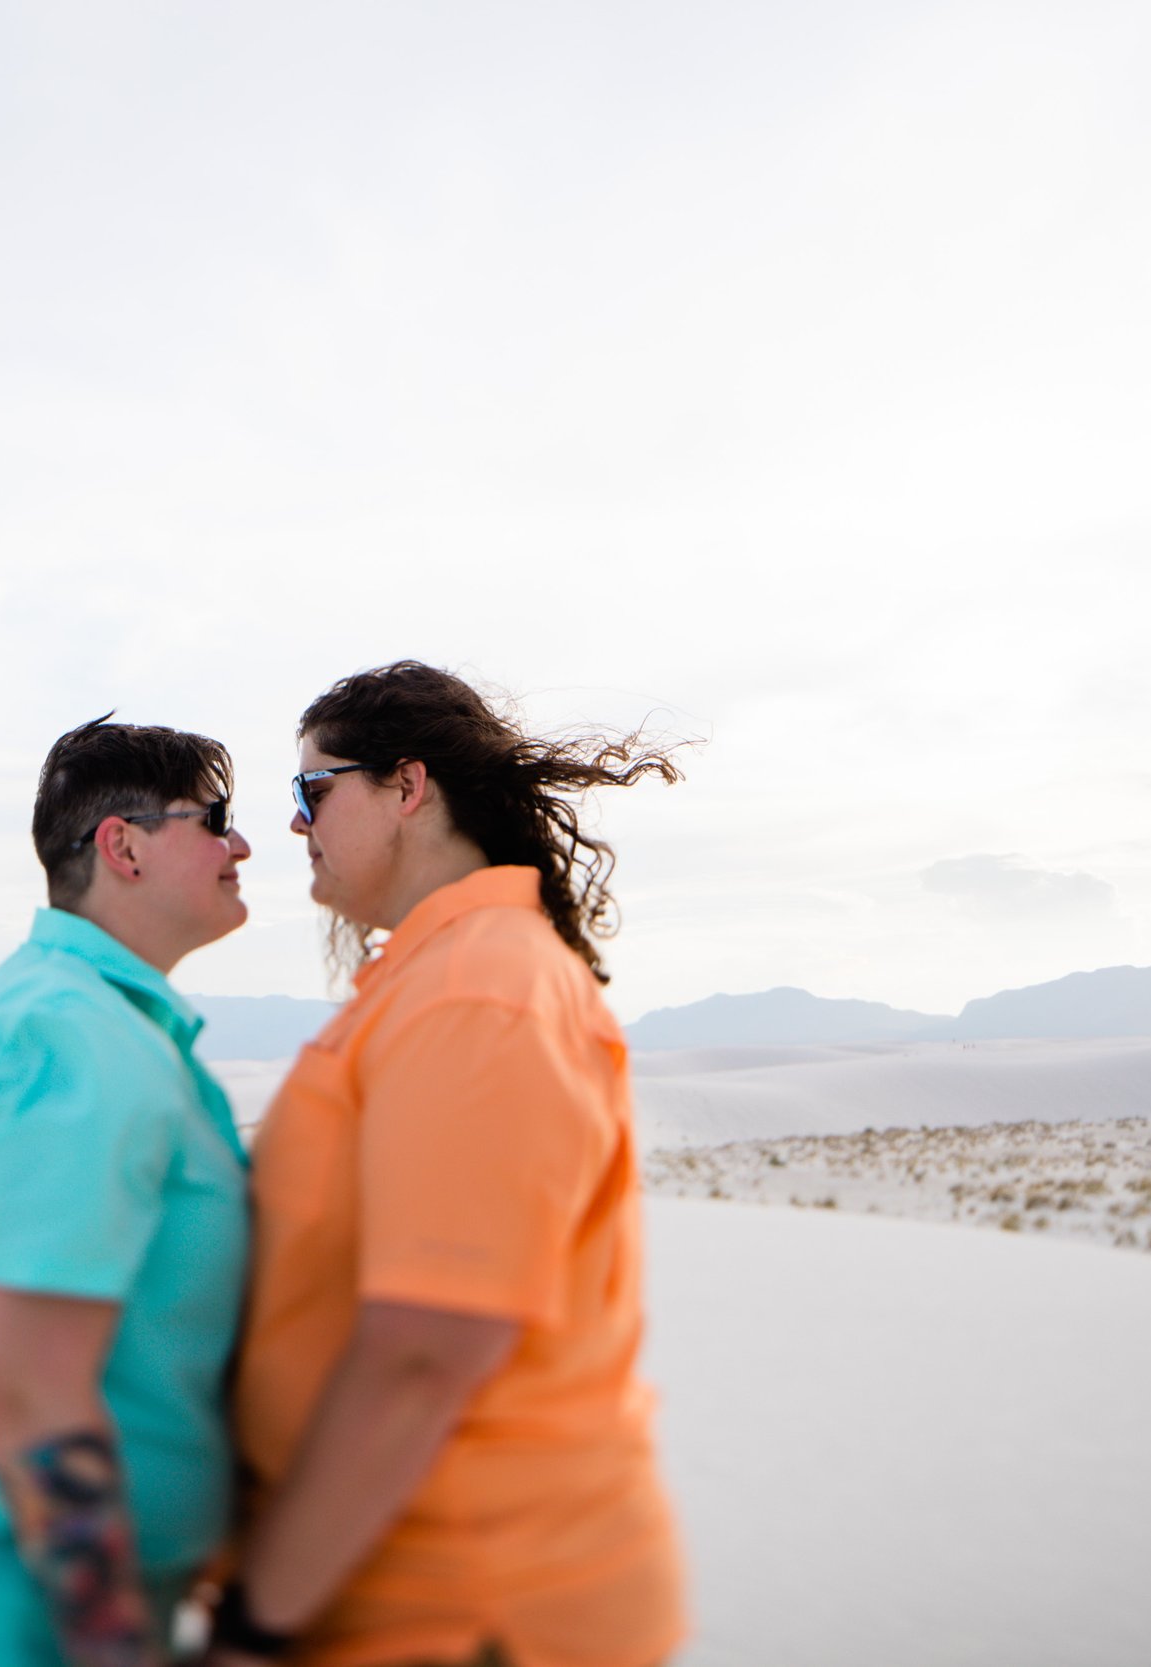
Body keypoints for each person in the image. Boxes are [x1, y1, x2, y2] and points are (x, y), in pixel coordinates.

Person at [212, 661, 689, 1667]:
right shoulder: (437, 977)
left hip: (470, 1610)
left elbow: (424, 1352)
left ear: (406, 786)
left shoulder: (478, 990)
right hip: (402, 1600)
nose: (295, 825)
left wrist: (257, 1621)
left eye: (312, 790)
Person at [0, 716, 256, 1666]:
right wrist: (112, 1647)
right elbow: (32, 1390)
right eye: (216, 817)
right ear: (124, 846)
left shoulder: (96, 1020)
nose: (242, 843)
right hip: (4, 1610)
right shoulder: (69, 1038)